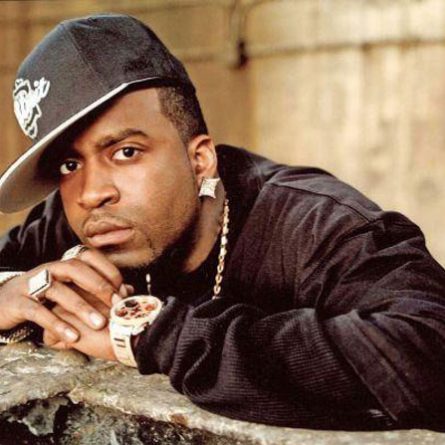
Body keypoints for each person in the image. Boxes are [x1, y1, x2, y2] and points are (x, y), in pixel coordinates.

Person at [1, 13, 445, 431]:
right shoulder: (84, 216)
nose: (91, 193)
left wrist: (148, 334)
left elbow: (427, 350)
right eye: (69, 165)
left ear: (200, 160)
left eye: (126, 152)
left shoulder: (316, 224)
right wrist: (8, 295)